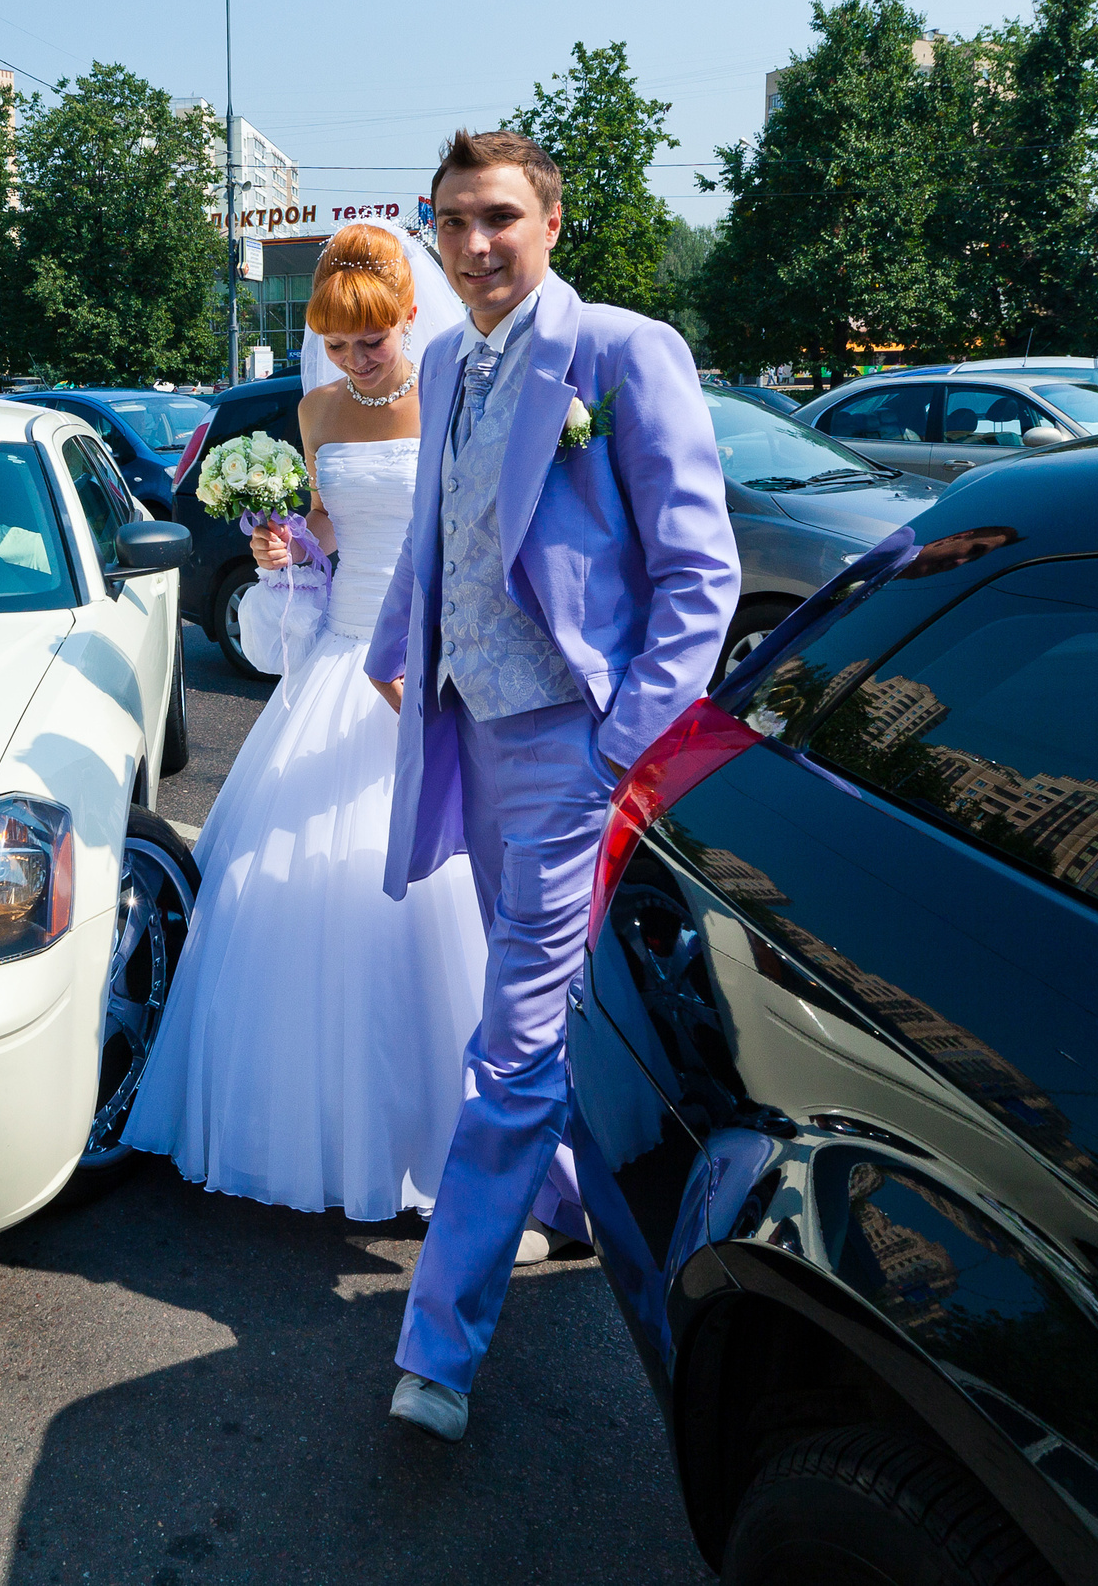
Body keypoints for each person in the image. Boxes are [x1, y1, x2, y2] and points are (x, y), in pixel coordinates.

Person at [365, 131, 738, 1444]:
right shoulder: (452, 357)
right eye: (455, 219)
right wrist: (390, 652)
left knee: (514, 1028)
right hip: (466, 724)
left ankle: (438, 1345)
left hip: (572, 745)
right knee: (540, 989)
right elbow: (436, 529)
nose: (474, 244)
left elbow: (701, 575)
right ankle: (570, 1199)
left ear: (552, 223)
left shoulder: (626, 354)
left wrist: (613, 747)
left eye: (499, 219)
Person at [123, 222, 489, 1225]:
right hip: (340, 654)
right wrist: (290, 541)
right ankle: (317, 1133)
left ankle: (460, 1146)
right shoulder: (316, 405)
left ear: (412, 316)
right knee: (281, 886)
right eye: (336, 342)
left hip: (428, 657)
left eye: (370, 339)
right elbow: (334, 522)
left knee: (425, 895)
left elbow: (491, 518)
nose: (355, 360)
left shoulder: (457, 391)